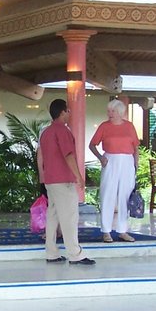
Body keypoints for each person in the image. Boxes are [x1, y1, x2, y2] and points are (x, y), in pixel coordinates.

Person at [36, 98, 94, 266]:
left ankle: (51, 252)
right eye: (68, 110)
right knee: (69, 216)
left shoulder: (46, 132)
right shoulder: (62, 131)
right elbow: (68, 155)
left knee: (53, 215)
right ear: (62, 112)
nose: (70, 113)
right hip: (63, 179)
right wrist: (79, 176)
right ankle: (75, 254)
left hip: (50, 179)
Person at [89, 99, 140, 243]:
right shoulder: (104, 126)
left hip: (127, 161)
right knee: (108, 194)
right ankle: (106, 231)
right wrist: (100, 158)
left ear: (119, 113)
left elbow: (136, 148)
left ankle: (123, 230)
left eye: (112, 111)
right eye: (108, 111)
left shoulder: (129, 126)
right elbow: (92, 145)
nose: (109, 114)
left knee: (125, 195)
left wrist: (136, 164)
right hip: (110, 160)